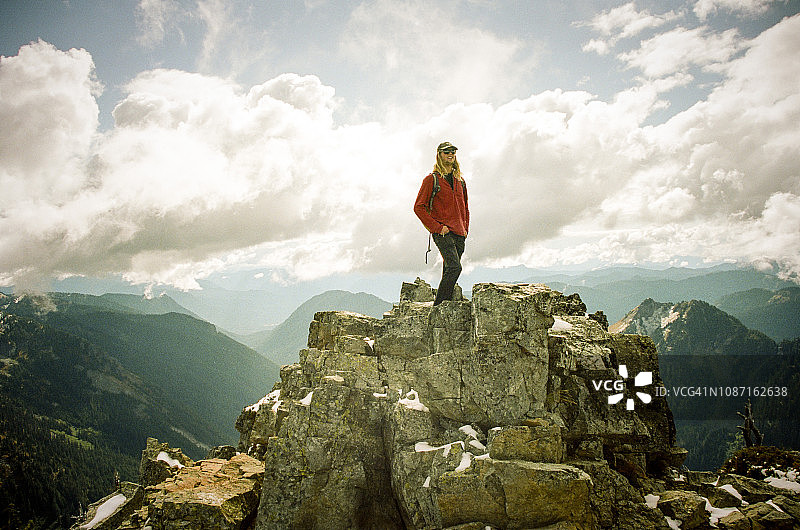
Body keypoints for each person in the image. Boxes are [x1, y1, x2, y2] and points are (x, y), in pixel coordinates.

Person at [413, 141, 470, 305]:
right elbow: (418, 207)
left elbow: (465, 207)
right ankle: (439, 306)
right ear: (439, 155)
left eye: (453, 151)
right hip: (443, 232)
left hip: (460, 233)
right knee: (455, 268)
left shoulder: (461, 181)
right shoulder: (431, 180)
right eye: (446, 152)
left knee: (449, 270)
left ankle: (444, 306)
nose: (450, 154)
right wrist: (437, 228)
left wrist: (465, 228)